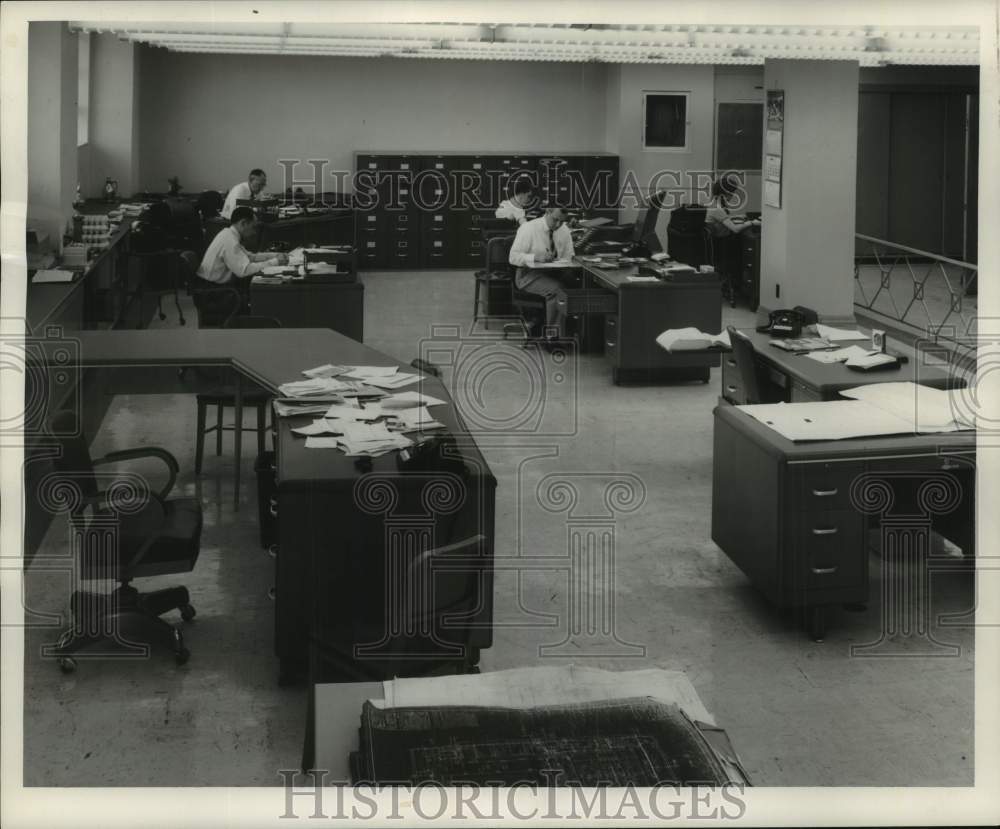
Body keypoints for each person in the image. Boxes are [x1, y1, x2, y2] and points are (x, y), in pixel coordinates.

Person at [508, 206, 575, 344]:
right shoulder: (529, 228)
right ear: (547, 212)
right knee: (557, 290)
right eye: (555, 220)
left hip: (554, 272)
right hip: (527, 276)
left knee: (577, 283)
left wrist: (565, 260)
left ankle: (577, 333)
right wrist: (535, 257)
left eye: (562, 221)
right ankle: (552, 338)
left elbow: (569, 256)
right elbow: (512, 257)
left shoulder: (564, 230)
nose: (558, 225)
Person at [196, 206, 287, 285]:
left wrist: (275, 255)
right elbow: (244, 270)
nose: (254, 233)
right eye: (253, 227)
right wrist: (275, 262)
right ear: (243, 223)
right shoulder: (230, 240)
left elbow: (250, 257)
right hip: (213, 291)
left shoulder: (228, 233)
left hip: (212, 285)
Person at [705, 173, 760, 238]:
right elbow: (735, 229)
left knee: (744, 224)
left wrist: (740, 216)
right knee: (746, 228)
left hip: (722, 237)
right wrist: (752, 222)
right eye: (731, 194)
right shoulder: (717, 209)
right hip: (722, 241)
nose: (732, 196)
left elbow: (723, 219)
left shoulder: (714, 203)